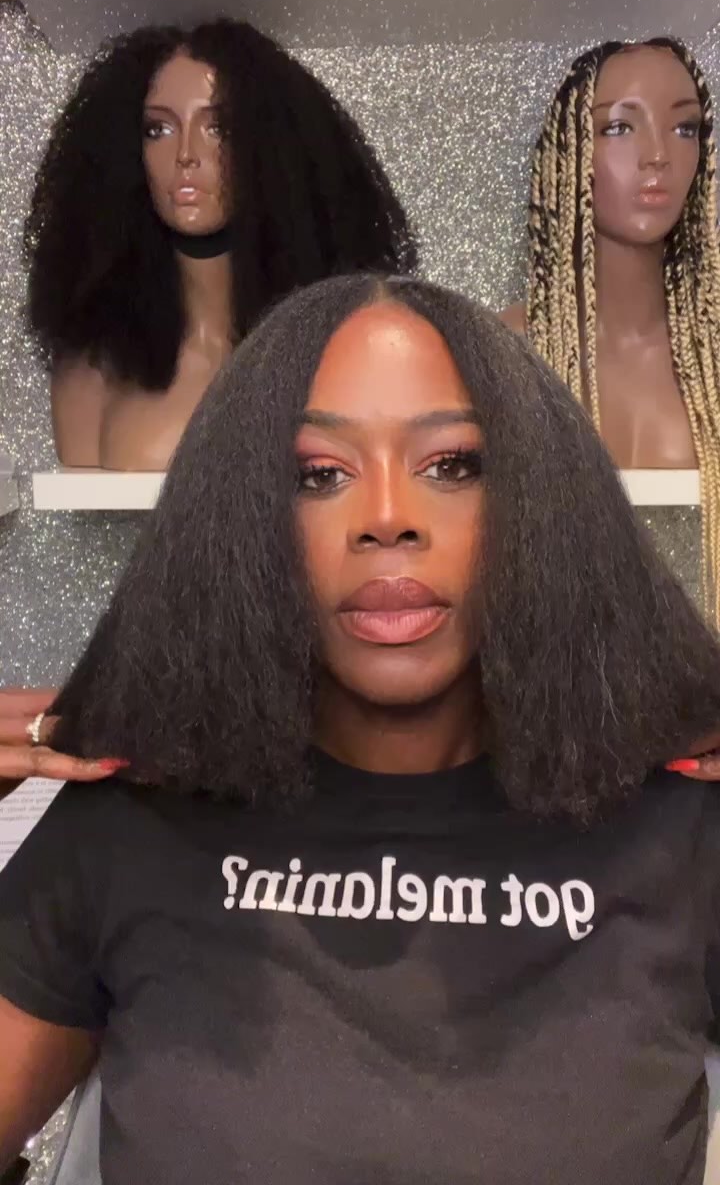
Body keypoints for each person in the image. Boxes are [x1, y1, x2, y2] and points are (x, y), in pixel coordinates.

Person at [2, 274, 720, 1185]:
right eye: (320, 474)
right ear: (243, 520)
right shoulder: (126, 825)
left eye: (451, 465)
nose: (387, 519)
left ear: (540, 502)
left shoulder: (682, 829)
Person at [26, 17, 415, 469]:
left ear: (267, 148)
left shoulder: (336, 351)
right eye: (158, 129)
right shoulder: (92, 372)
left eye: (218, 128)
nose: (185, 154)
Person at [502, 38, 720, 616]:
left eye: (685, 128)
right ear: (569, 152)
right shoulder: (508, 354)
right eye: (620, 127)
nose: (658, 156)